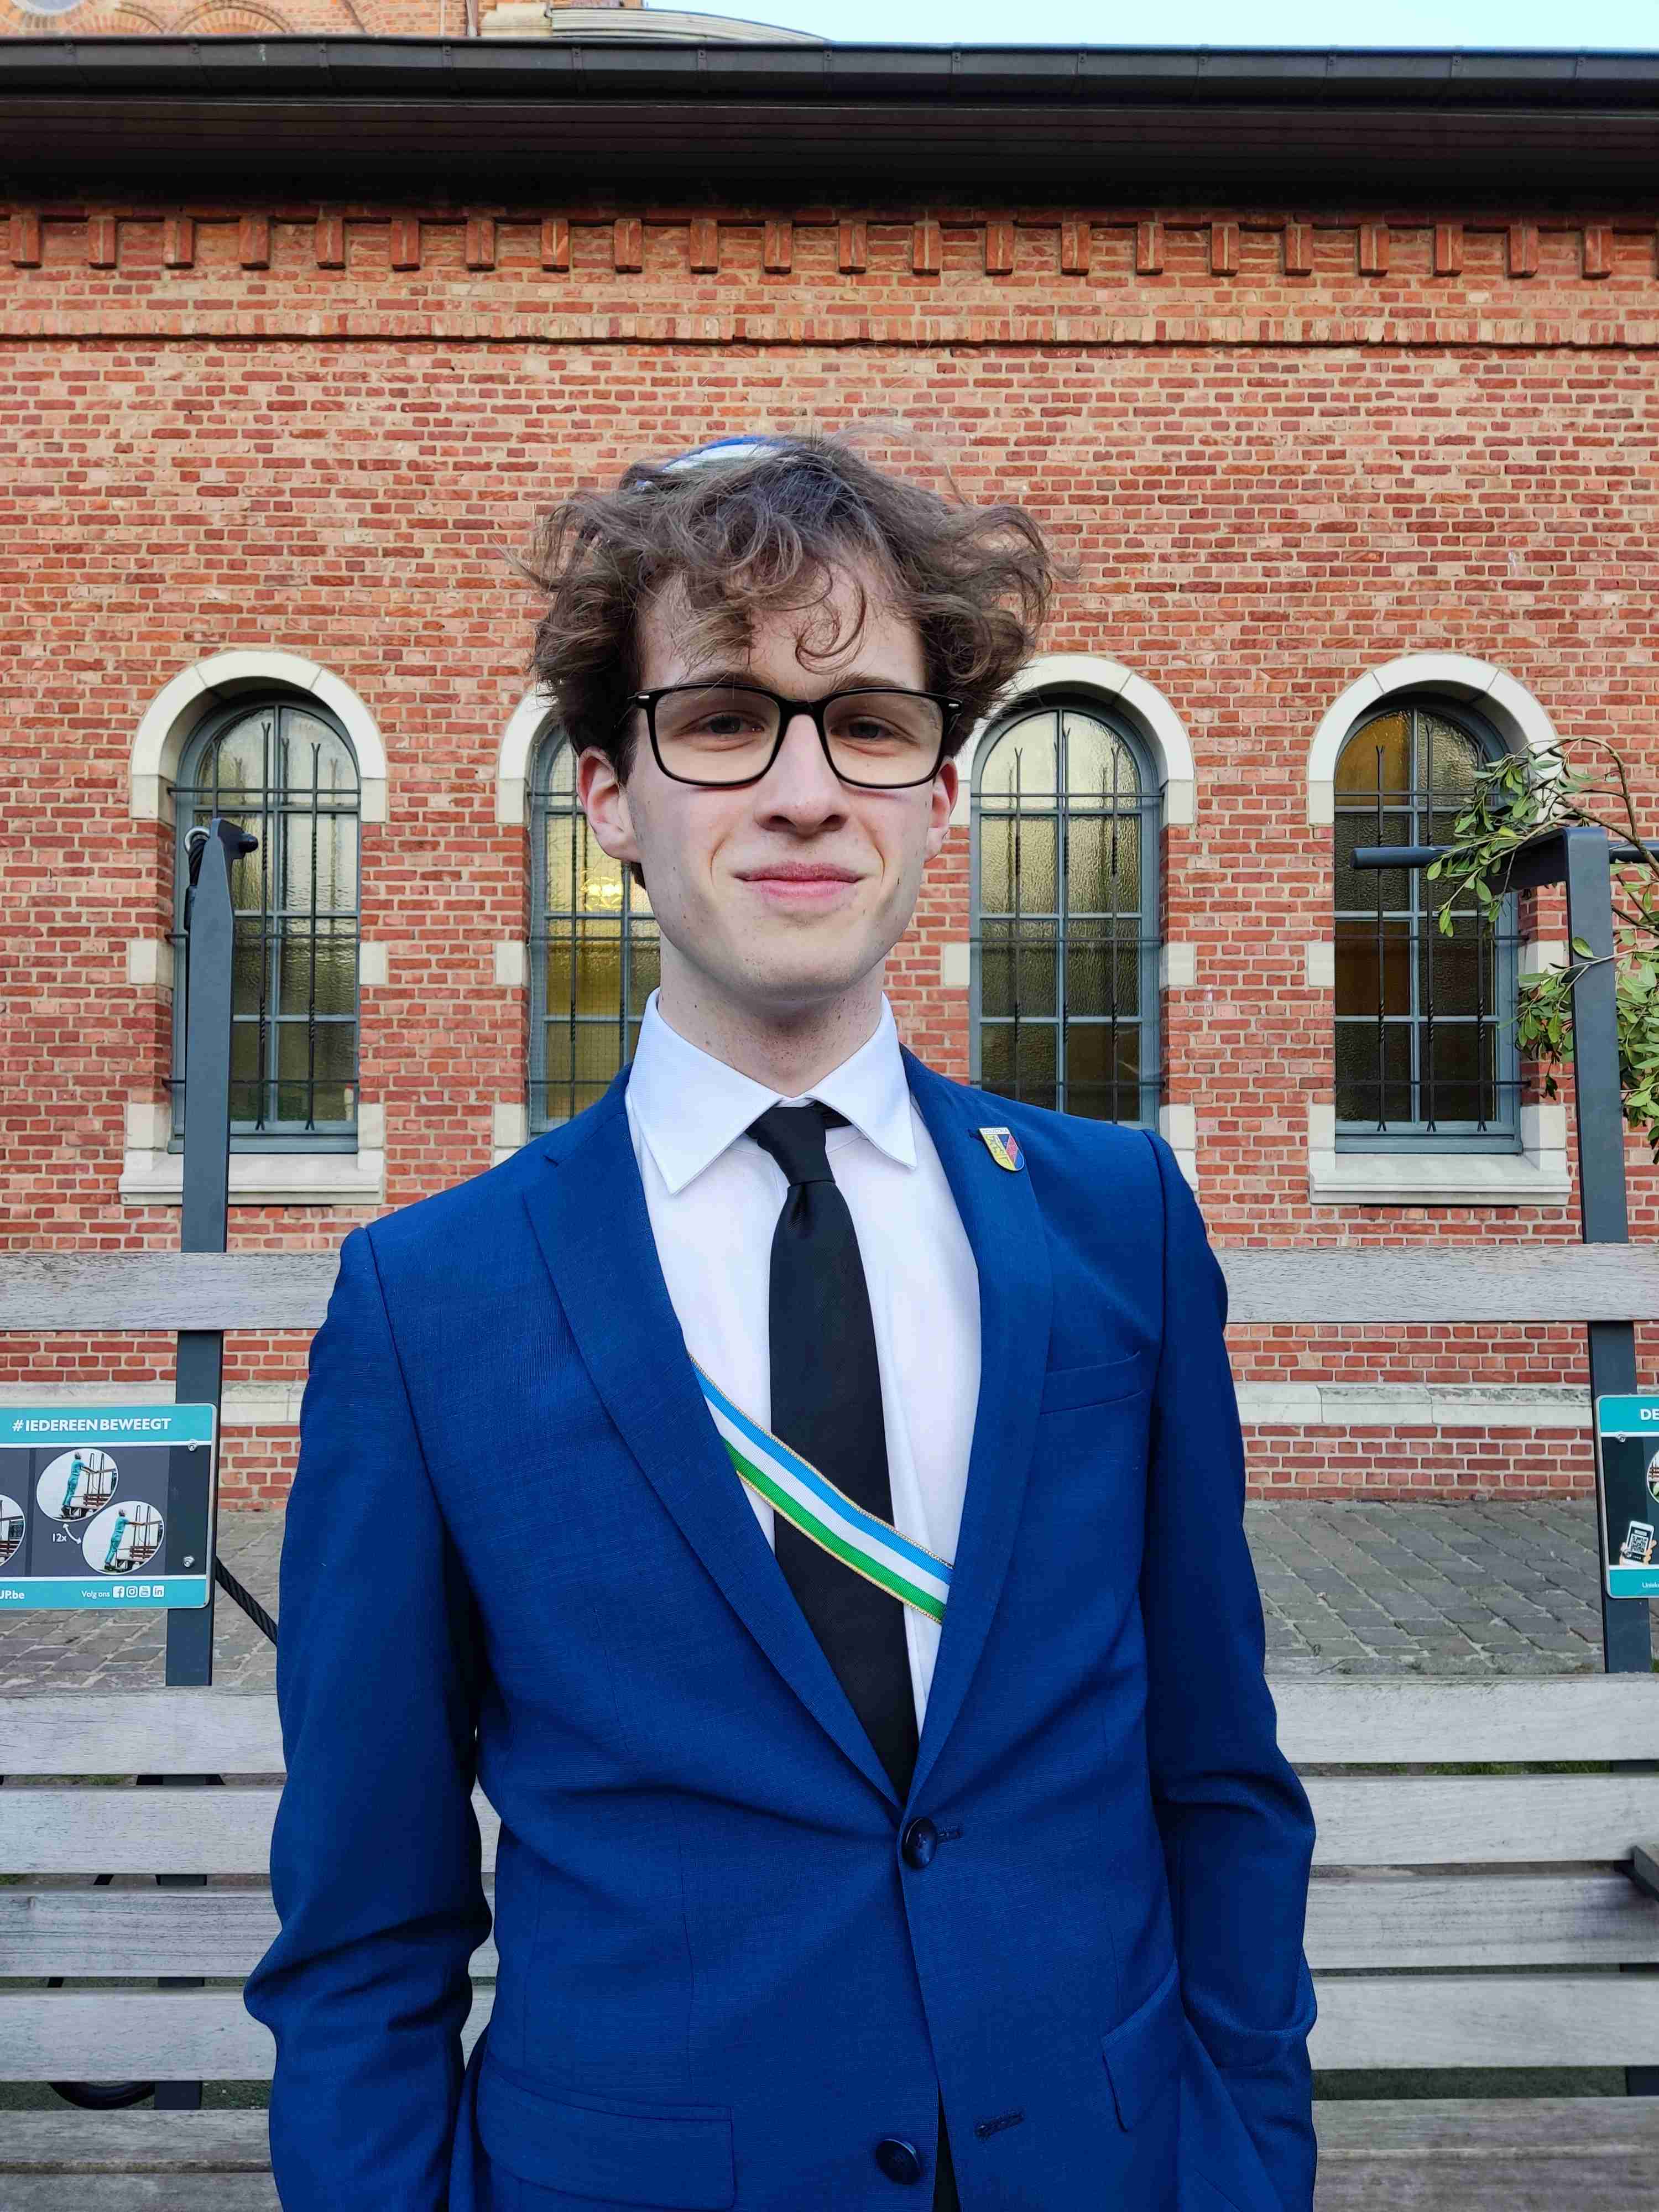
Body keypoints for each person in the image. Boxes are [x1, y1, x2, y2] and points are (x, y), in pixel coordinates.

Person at [243, 429, 1318, 2211]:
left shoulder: (1117, 1224)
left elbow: (1218, 1776)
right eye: (728, 719)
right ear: (609, 792)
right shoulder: (431, 1306)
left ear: (941, 794)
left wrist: (1247, 2159)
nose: (806, 790)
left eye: (869, 725)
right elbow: (367, 1923)